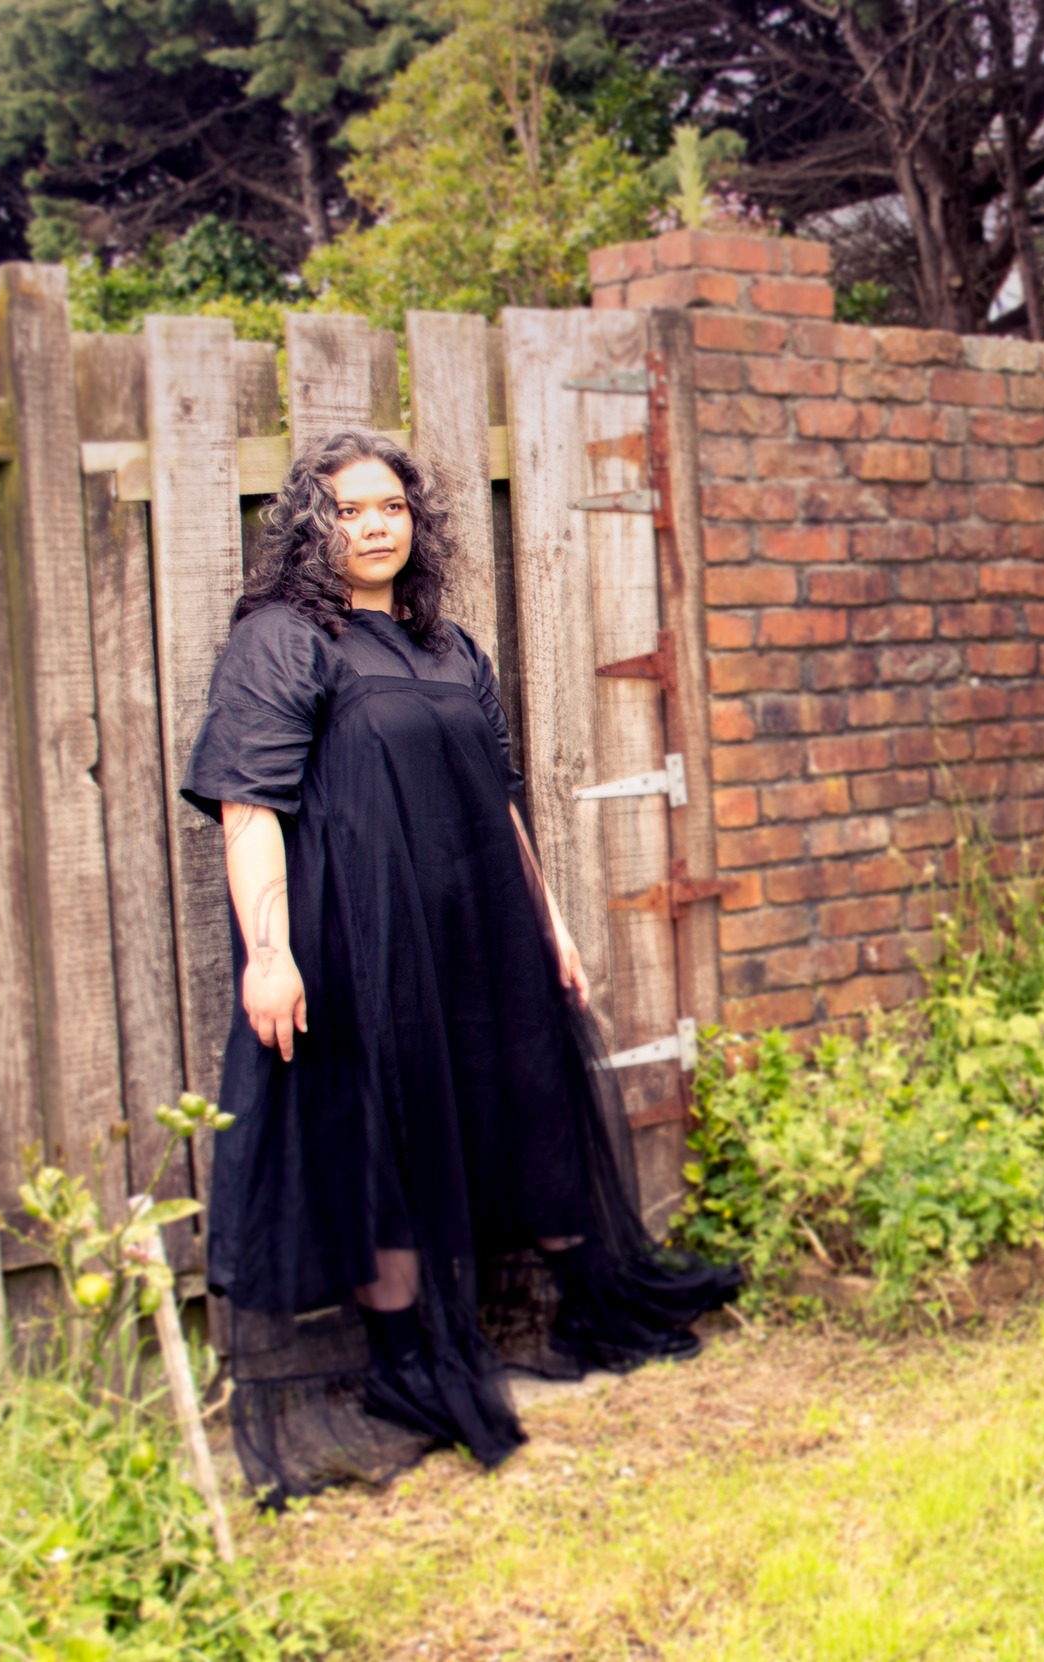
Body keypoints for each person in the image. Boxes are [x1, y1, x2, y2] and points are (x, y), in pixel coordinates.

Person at [182, 429, 741, 1503]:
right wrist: (269, 954)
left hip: (479, 925)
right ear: (311, 525)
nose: (374, 525)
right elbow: (249, 804)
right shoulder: (280, 642)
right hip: (356, 938)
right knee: (377, 1143)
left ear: (416, 522)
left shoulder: (451, 648)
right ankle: (406, 1366)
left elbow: (502, 801)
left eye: (390, 506)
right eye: (349, 510)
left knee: (525, 1103)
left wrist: (552, 926)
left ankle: (582, 1303)